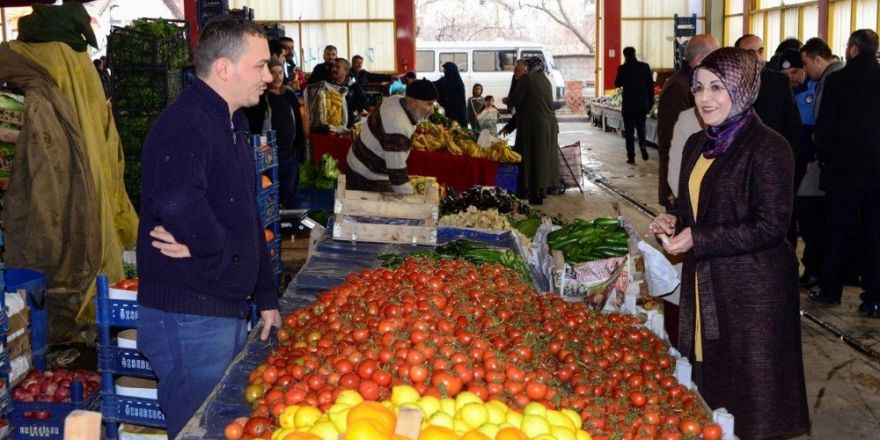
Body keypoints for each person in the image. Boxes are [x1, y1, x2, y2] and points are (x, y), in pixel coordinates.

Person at [648, 47, 809, 440]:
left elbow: (771, 225)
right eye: (700, 87)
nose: (705, 98)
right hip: (708, 282)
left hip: (752, 292)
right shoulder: (696, 145)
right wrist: (677, 221)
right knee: (708, 386)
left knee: (752, 396)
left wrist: (698, 237)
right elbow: (699, 210)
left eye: (718, 87)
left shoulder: (769, 147)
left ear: (743, 88)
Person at [135, 16, 281, 438]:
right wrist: (213, 246)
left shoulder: (229, 122)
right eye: (260, 66)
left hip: (219, 305)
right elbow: (178, 201)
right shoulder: (187, 123)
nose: (270, 76)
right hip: (188, 315)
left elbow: (246, 214)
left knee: (221, 421)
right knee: (199, 427)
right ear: (223, 68)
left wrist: (265, 292)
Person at [810, 29, 880, 318]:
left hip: (844, 172)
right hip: (878, 175)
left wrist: (825, 160)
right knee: (877, 235)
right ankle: (875, 298)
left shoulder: (838, 82)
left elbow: (824, 129)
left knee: (837, 232)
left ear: (852, 50)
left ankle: (831, 290)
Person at [657, 34, 719, 208]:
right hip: (684, 185)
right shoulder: (680, 87)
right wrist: (676, 190)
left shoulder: (690, 83)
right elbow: (672, 142)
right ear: (701, 59)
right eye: (716, 55)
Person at [345, 79, 437, 193]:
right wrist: (411, 202)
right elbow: (397, 176)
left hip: (358, 163)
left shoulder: (396, 99)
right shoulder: (398, 126)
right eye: (429, 104)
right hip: (366, 177)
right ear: (413, 102)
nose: (432, 110)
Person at [244, 56, 306, 209]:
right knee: (273, 196)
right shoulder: (260, 98)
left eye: (280, 72)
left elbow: (297, 122)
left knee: (291, 194)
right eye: (274, 73)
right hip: (270, 156)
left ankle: (292, 226)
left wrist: (300, 147)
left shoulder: (289, 94)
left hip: (290, 154)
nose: (278, 77)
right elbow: (255, 128)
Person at [508, 57, 559, 205]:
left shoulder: (527, 80)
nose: (515, 73)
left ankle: (533, 193)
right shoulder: (545, 79)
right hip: (547, 126)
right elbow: (528, 105)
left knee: (532, 159)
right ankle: (541, 191)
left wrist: (513, 84)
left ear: (527, 69)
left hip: (534, 127)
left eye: (517, 70)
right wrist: (509, 127)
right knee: (543, 160)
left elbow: (514, 101)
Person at [614, 47, 653, 163]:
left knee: (629, 132)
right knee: (641, 127)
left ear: (624, 55)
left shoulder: (623, 68)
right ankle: (643, 147)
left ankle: (631, 157)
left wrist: (623, 69)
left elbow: (617, 83)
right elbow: (650, 86)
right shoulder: (644, 66)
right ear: (635, 54)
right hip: (641, 104)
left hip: (629, 105)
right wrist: (650, 102)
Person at [331, 57, 366, 128]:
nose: (334, 69)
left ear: (346, 72)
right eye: (333, 66)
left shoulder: (353, 85)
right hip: (331, 121)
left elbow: (363, 99)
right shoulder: (327, 84)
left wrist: (347, 106)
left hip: (348, 121)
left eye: (338, 67)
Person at [434, 62, 467, 127]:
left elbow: (453, 97)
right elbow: (435, 85)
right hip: (449, 111)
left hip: (458, 112)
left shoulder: (458, 84)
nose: (443, 71)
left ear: (450, 70)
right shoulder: (446, 79)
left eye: (445, 69)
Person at [499, 59, 527, 136]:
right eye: (514, 69)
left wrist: (509, 101)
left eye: (517, 70)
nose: (514, 72)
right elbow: (512, 90)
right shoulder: (516, 77)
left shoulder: (528, 85)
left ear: (526, 71)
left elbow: (522, 112)